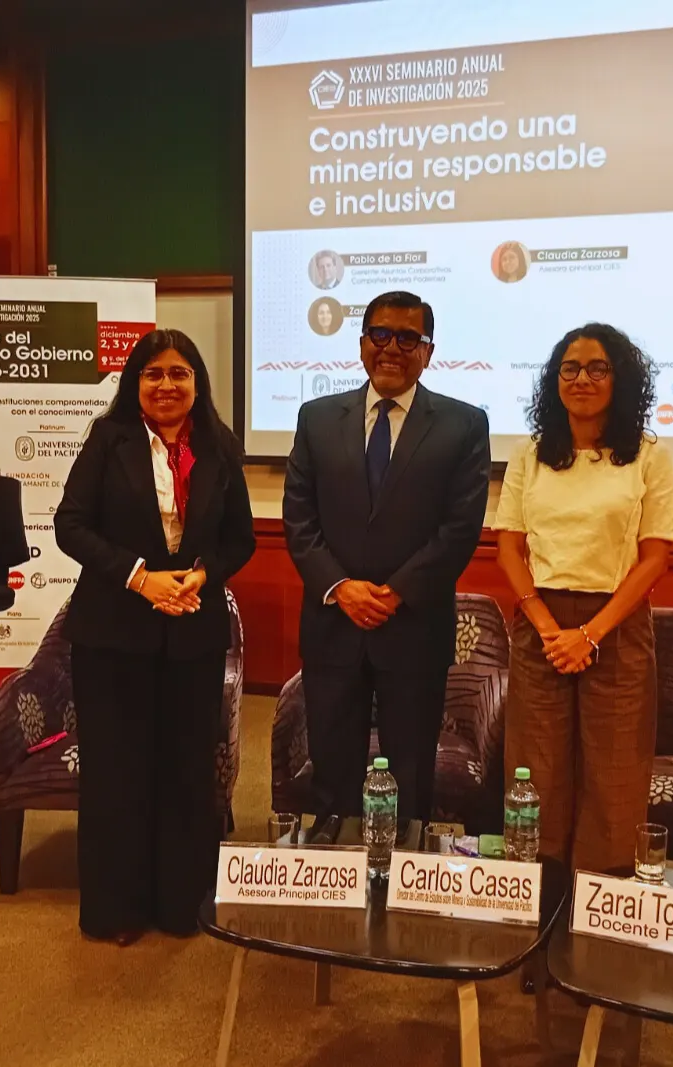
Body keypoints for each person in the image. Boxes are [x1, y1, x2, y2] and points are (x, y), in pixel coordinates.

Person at [54, 328, 256, 943]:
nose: (166, 385)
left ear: (197, 382)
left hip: (193, 632)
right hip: (113, 636)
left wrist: (202, 574)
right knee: (117, 773)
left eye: (179, 373)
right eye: (153, 373)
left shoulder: (219, 445)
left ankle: (180, 906)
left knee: (185, 771)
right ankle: (116, 911)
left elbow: (240, 539)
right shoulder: (107, 439)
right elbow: (71, 526)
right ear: (134, 382)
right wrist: (141, 579)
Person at [283, 290, 490, 840]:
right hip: (334, 623)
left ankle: (401, 868)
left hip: (414, 628)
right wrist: (341, 588)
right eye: (380, 334)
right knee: (332, 771)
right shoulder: (317, 418)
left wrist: (395, 593)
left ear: (428, 351)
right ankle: (336, 861)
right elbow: (299, 519)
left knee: (409, 774)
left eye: (407, 337)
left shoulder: (464, 425)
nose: (391, 347)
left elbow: (459, 529)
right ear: (361, 343)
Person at [494, 324, 673, 874]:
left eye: (598, 368)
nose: (582, 379)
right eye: (569, 368)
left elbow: (655, 558)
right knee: (536, 774)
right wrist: (548, 627)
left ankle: (599, 915)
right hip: (542, 629)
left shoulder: (648, 456)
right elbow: (509, 548)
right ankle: (540, 906)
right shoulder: (529, 454)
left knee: (614, 776)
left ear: (621, 380)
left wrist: (591, 634)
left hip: (616, 627)